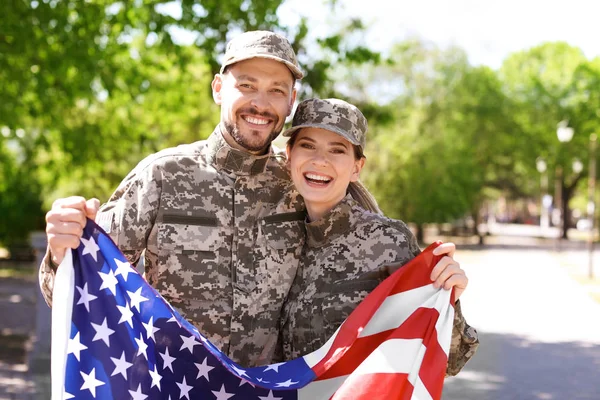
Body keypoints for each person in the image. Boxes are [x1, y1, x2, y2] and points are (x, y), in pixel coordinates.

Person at [40, 30, 462, 368]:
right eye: (247, 85)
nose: (261, 103)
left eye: (277, 90)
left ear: (291, 100)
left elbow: (363, 251)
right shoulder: (161, 175)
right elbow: (81, 287)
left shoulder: (302, 182)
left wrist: (439, 287)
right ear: (219, 88)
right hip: (171, 384)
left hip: (267, 390)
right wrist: (62, 253)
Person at [275, 98, 479, 375]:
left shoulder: (386, 241)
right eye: (308, 146)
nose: (320, 160)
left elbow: (448, 360)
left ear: (357, 168)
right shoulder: (276, 239)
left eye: (337, 150)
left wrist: (449, 300)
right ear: (289, 155)